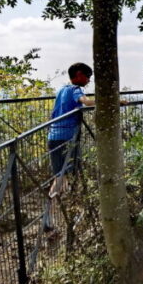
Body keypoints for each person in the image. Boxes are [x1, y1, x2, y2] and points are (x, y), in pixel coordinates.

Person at [45, 62, 95, 231]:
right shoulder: (75, 90)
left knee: (60, 175)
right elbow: (86, 102)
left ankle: (50, 215)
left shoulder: (61, 89)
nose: (89, 80)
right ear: (79, 75)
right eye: (87, 76)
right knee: (69, 175)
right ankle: (72, 212)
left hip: (53, 136)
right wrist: (110, 101)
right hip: (67, 138)